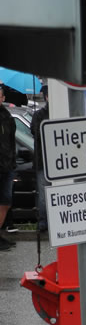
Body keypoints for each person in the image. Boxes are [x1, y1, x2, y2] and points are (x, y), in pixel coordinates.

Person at [31, 84, 49, 231]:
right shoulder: (38, 115)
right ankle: (43, 222)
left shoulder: (61, 113)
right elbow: (35, 132)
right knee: (43, 195)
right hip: (42, 162)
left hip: (59, 164)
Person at [0, 86, 16, 251]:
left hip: (7, 166)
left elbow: (12, 141)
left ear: (3, 98)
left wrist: (12, 161)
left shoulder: (8, 117)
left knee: (5, 202)